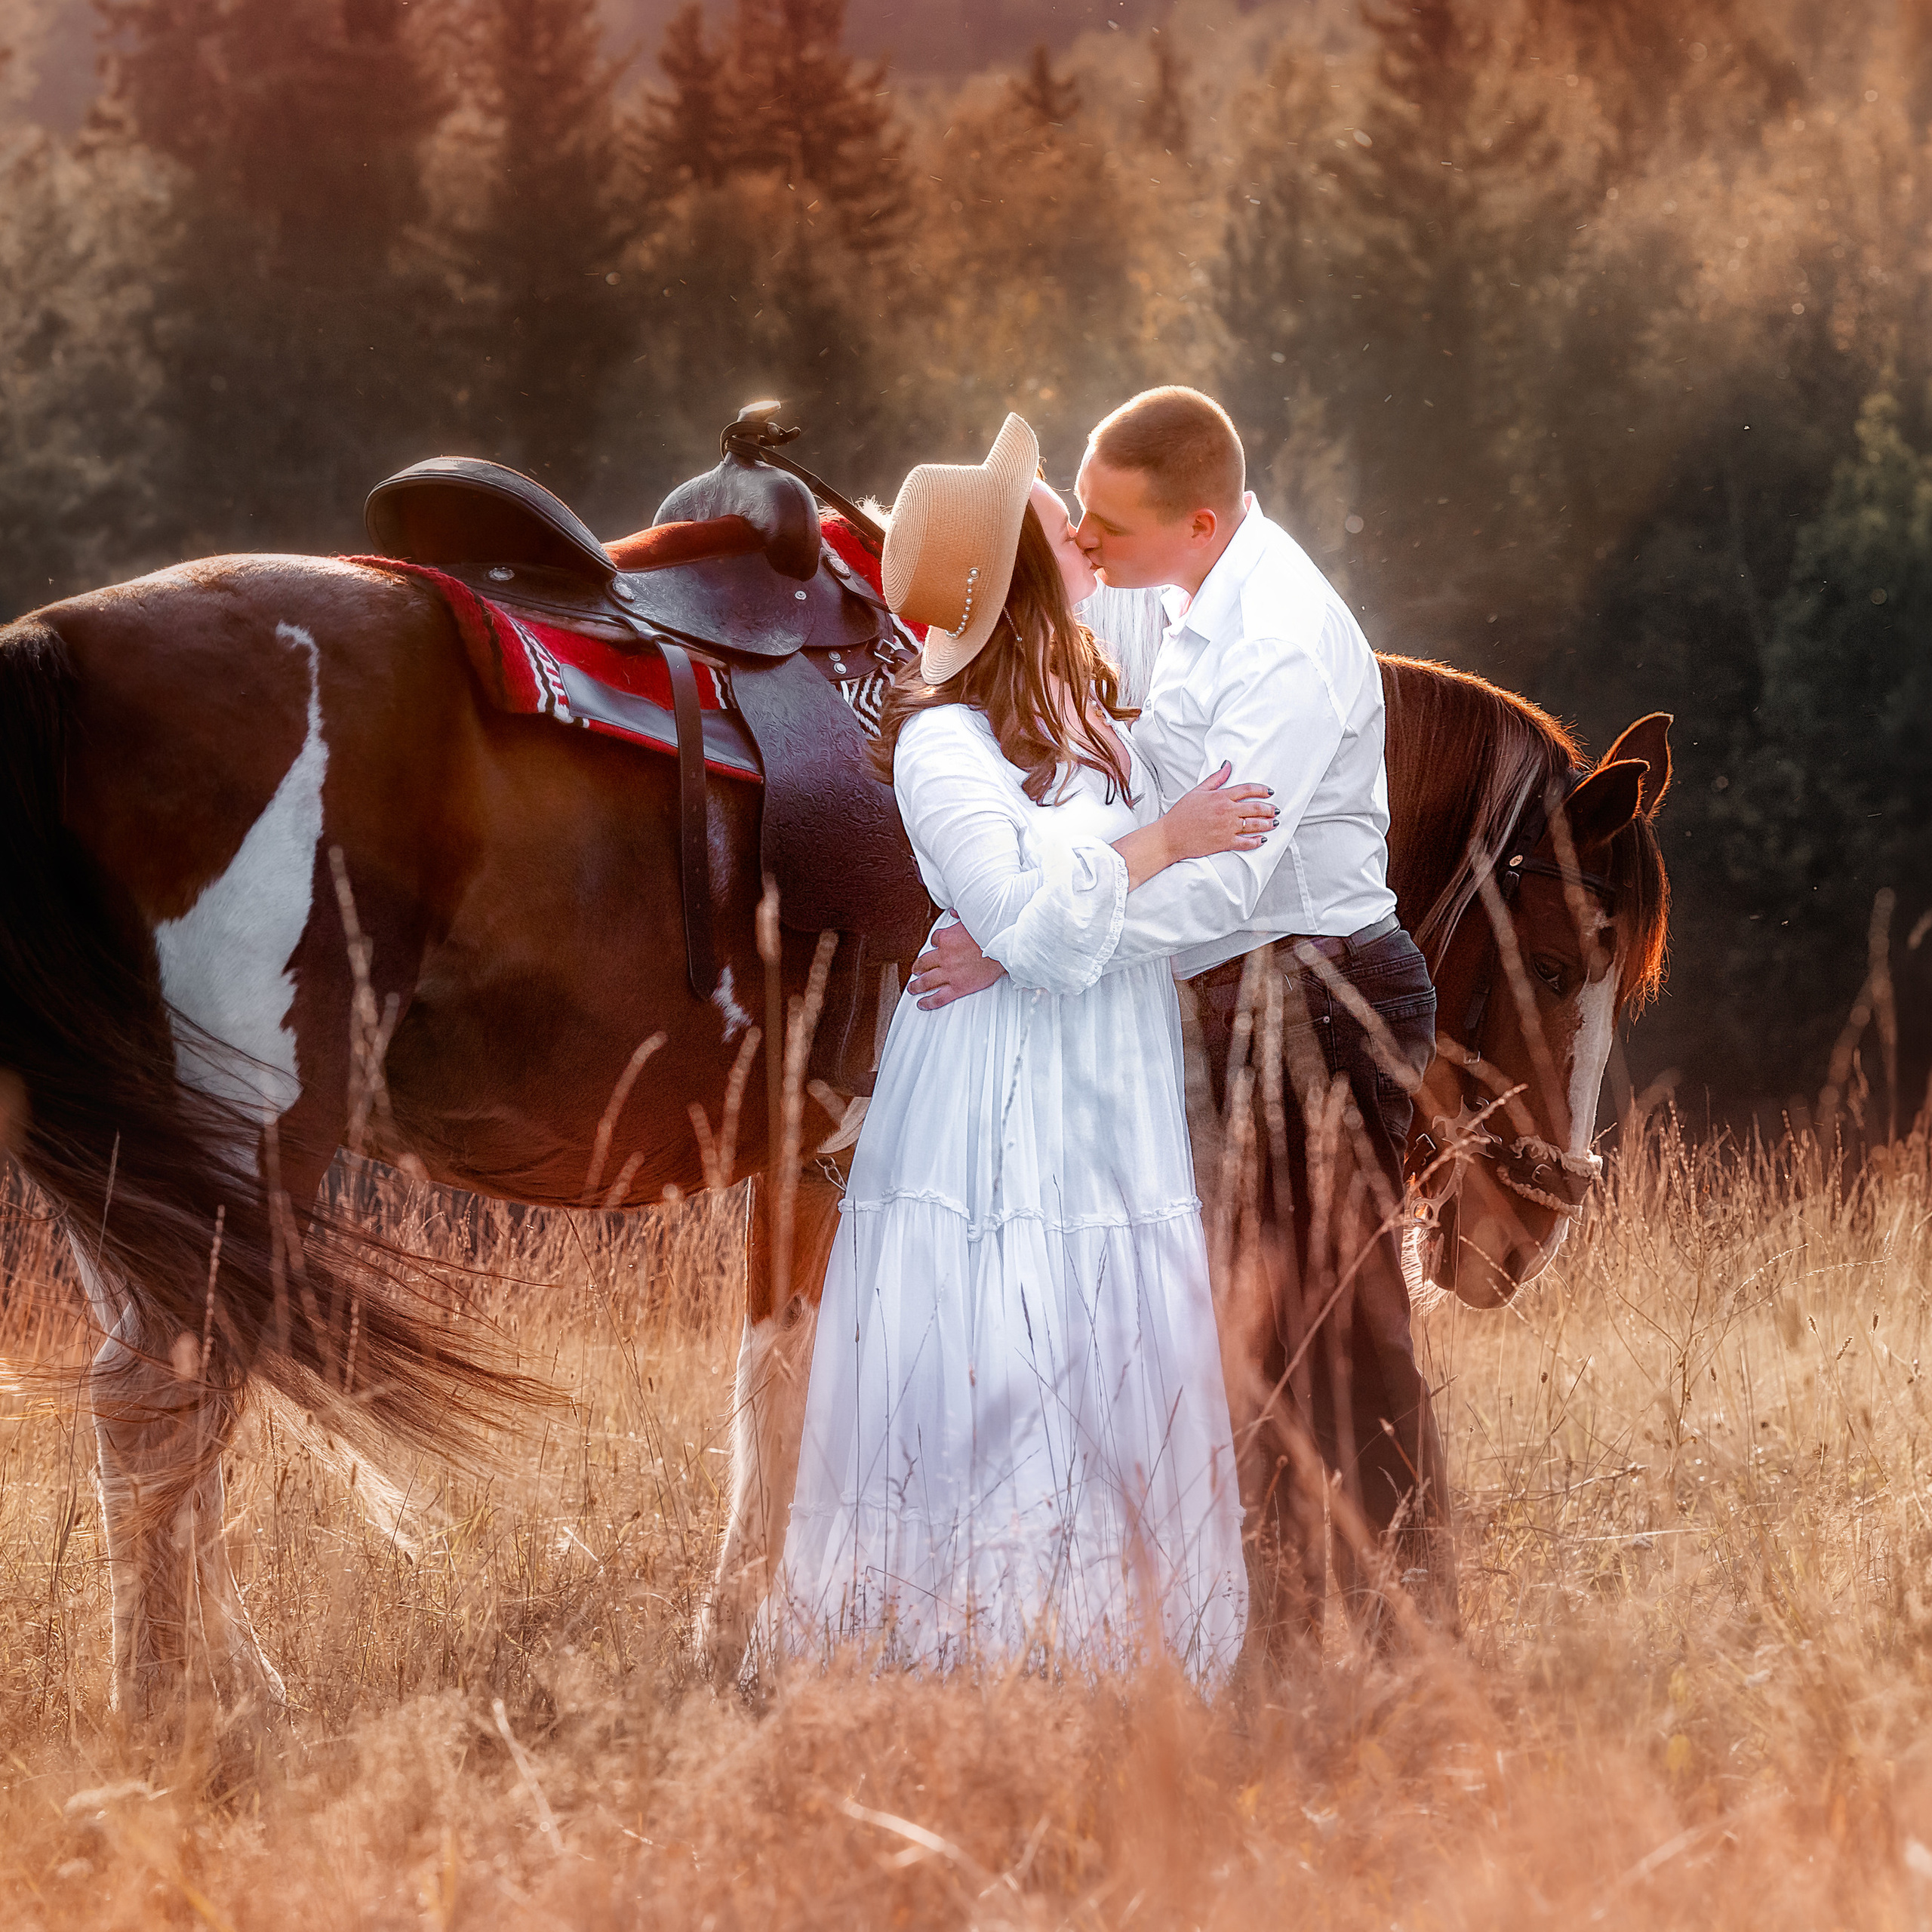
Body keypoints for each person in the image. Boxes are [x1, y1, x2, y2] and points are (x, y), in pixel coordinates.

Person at [912, 386, 1451, 1648]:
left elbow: (1226, 875)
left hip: (1323, 991)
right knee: (1229, 1322)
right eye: (1083, 522)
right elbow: (1122, 765)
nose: (1088, 546)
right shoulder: (1172, 597)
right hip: (1229, 993)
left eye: (1107, 526)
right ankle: (1265, 1610)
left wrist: (1023, 948)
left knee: (1337, 1325)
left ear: (1198, 523)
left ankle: (1406, 1631)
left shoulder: (1283, 640)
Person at [764, 414, 1258, 1680]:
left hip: (1104, 1067)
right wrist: (1162, 844)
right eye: (1046, 512)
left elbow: (1044, 924)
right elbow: (1041, 924)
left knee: (1113, 1328)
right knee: (1002, 1337)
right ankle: (974, 1653)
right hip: (994, 1082)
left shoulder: (1090, 706)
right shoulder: (942, 744)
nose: (1073, 519)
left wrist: (1020, 933)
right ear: (1015, 571)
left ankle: (1117, 1645)